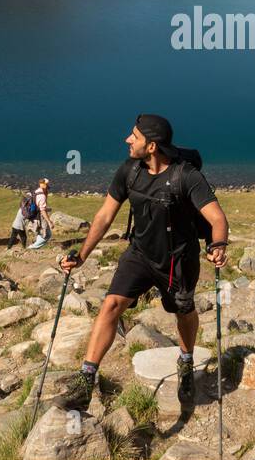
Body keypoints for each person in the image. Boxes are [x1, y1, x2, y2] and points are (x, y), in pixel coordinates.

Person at [58, 115, 228, 410]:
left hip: (178, 261)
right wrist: (82, 255)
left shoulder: (186, 176)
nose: (127, 140)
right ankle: (86, 379)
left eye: (134, 136)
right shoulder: (130, 170)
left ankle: (186, 361)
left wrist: (218, 245)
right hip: (139, 254)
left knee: (184, 311)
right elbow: (104, 215)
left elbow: (217, 218)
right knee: (111, 305)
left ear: (151, 146)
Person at [27, 178, 55, 249]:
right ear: (44, 185)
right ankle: (33, 247)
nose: (48, 187)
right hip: (40, 216)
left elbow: (38, 205)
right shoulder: (42, 196)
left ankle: (35, 245)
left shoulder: (36, 191)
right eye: (47, 185)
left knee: (39, 232)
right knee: (47, 235)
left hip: (34, 216)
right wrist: (49, 222)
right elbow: (42, 210)